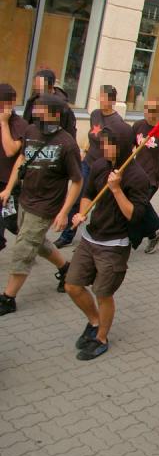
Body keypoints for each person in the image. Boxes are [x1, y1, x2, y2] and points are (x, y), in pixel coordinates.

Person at [65, 127, 150, 360]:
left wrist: (116, 189)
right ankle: (94, 321)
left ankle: (101, 338)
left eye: (108, 144)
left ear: (122, 146)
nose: (103, 148)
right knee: (72, 285)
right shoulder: (100, 166)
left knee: (103, 293)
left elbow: (134, 215)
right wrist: (82, 213)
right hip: (90, 238)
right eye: (101, 143)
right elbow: (88, 194)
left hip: (114, 245)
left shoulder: (137, 177)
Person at [0, 95, 82, 315]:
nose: (36, 113)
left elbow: (77, 180)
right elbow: (21, 159)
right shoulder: (31, 131)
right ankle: (66, 269)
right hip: (26, 199)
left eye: (41, 110)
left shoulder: (67, 144)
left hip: (46, 205)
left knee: (24, 250)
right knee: (37, 242)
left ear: (55, 114)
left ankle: (8, 298)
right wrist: (9, 188)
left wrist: (64, 212)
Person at [55, 85, 132, 249]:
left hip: (102, 168)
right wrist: (84, 149)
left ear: (112, 101)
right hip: (87, 163)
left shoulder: (116, 122)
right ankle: (67, 234)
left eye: (105, 98)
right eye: (100, 97)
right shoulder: (95, 114)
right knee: (77, 198)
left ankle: (91, 238)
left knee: (96, 202)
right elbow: (91, 135)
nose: (101, 100)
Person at [131, 98, 159, 254]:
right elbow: (129, 147)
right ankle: (154, 235)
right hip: (135, 176)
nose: (148, 113)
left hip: (151, 179)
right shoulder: (138, 126)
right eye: (146, 108)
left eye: (152, 110)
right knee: (140, 208)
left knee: (137, 209)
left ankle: (127, 239)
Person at [0, 84, 27, 251]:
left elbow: (10, 151)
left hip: (8, 187)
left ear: (11, 103)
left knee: (15, 224)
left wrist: (4, 123)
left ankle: (33, 240)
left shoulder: (19, 125)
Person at [22, 69, 76, 138]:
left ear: (50, 87)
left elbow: (70, 131)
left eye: (39, 86)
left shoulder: (62, 106)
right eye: (35, 85)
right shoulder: (33, 99)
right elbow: (26, 121)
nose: (36, 88)